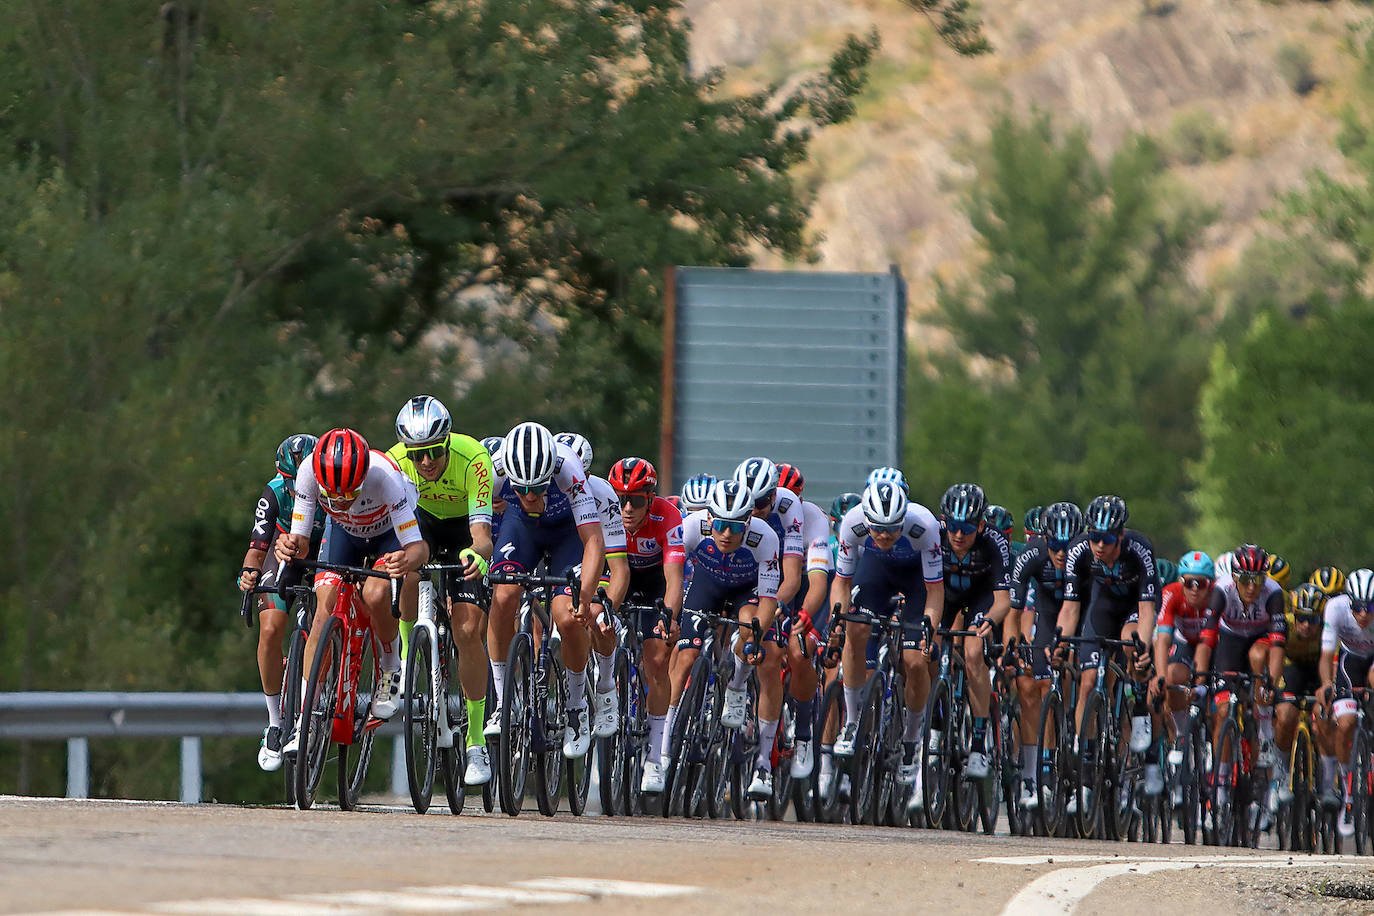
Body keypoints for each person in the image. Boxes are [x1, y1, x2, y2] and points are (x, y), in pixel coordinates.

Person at [275, 428, 430, 751]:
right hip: (344, 534)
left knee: (375, 594)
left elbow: (419, 549)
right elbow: (302, 543)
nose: (341, 502)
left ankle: (390, 664)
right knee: (323, 610)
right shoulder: (308, 472)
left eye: (348, 494)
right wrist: (289, 546)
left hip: (390, 534)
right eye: (332, 496)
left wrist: (404, 560)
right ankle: (307, 719)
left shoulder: (385, 476)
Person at [387, 396, 496, 784]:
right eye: (417, 455)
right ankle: (404, 658)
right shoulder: (394, 462)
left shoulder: (474, 459)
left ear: (447, 443)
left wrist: (477, 554)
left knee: (468, 631)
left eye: (434, 452)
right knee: (408, 569)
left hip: (466, 528)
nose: (426, 462)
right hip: (422, 525)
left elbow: (483, 536)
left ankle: (476, 741)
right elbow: (391, 530)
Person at [486, 422, 606, 759]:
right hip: (522, 529)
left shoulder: (567, 467)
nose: (529, 497)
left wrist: (585, 596)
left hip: (568, 532)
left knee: (566, 618)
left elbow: (594, 540)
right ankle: (503, 700)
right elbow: (477, 528)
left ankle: (576, 706)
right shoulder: (494, 469)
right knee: (504, 595)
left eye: (538, 488)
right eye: (521, 489)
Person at [828, 480, 944, 811]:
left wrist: (928, 629)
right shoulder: (852, 522)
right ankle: (852, 723)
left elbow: (935, 592)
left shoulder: (924, 526)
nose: (882, 535)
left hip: (915, 578)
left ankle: (910, 740)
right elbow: (842, 582)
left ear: (903, 518)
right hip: (875, 572)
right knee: (856, 630)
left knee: (916, 661)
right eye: (877, 529)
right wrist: (839, 616)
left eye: (891, 529)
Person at [669, 480, 781, 793]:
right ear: (709, 519)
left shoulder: (765, 538)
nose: (726, 534)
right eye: (719, 525)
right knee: (685, 656)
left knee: (749, 625)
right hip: (706, 587)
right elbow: (674, 577)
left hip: (746, 592)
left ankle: (737, 686)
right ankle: (662, 748)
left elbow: (769, 600)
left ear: (748, 523)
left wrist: (754, 641)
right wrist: (671, 615)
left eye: (734, 527)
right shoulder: (691, 527)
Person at [237, 433, 321, 771]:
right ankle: (274, 722)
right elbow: (257, 548)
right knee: (271, 630)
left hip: (321, 548)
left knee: (325, 619)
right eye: (291, 482)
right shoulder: (272, 492)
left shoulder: (330, 486)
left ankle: (315, 703)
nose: (297, 489)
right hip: (283, 549)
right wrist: (247, 573)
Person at [1055, 495, 1157, 773]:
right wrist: (1061, 640)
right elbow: (1070, 607)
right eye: (1095, 537)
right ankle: (1085, 759)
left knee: (1133, 645)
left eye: (1108, 539)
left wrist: (1144, 647)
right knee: (1088, 683)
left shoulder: (1139, 549)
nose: (1100, 545)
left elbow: (1147, 610)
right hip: (1103, 608)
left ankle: (1139, 710)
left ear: (1120, 535)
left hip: (1134, 608)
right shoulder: (1078, 550)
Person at [606, 457, 684, 793]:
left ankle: (654, 757)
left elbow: (674, 579)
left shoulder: (669, 516)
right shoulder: (606, 512)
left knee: (655, 660)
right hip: (615, 576)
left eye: (635, 500)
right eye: (619, 498)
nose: (626, 507)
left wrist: (669, 618)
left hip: (655, 584)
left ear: (650, 498)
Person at [732, 457, 805, 797]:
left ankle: (763, 762)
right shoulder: (732, 502)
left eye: (763, 502)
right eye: (751, 502)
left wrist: (772, 609)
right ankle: (730, 682)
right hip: (736, 576)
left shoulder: (789, 510)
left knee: (771, 656)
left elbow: (791, 578)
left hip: (773, 583)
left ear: (774, 497)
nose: (757, 509)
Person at [554, 432, 631, 743]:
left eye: (582, 475)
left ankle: (606, 683)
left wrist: (608, 609)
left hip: (594, 558)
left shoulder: (602, 494)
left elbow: (619, 567)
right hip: (561, 556)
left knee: (597, 615)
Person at [1008, 501, 1082, 809]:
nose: (1062, 553)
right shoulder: (1032, 555)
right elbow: (1015, 612)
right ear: (1043, 539)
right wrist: (1015, 649)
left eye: (1068, 546)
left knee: (1079, 670)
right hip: (1050, 614)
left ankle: (1083, 736)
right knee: (1037, 686)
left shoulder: (1087, 556)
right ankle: (1040, 773)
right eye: (1055, 546)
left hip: (1084, 610)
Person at [940, 482, 1013, 780]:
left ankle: (980, 745)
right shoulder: (935, 537)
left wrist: (990, 622)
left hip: (981, 598)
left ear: (981, 525)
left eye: (967, 529)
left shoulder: (995, 543)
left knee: (973, 653)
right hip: (943, 595)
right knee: (922, 647)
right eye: (953, 527)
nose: (959, 535)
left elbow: (1003, 601)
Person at [1193, 545, 1287, 775]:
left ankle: (1265, 729)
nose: (1252, 587)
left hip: (1260, 639)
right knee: (1223, 712)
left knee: (1259, 656)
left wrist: (1271, 684)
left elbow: (1277, 646)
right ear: (1234, 577)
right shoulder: (1221, 590)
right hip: (1230, 641)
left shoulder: (1273, 593)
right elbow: (1206, 641)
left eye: (1258, 579)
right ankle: (1222, 781)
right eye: (1245, 579)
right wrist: (1199, 684)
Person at [774, 462, 833, 781]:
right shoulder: (760, 514)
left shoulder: (813, 519)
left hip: (809, 583)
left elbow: (818, 583)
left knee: (799, 652)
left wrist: (804, 617)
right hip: (776, 579)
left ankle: (805, 735)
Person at [1150, 549, 1215, 795]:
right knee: (1173, 678)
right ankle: (1180, 735)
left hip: (1214, 645)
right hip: (1185, 643)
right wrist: (1160, 675)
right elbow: (1163, 640)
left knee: (1213, 688)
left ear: (1211, 584)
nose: (1195, 588)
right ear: (1181, 582)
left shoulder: (1217, 597)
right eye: (1189, 582)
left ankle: (1211, 738)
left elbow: (1209, 643)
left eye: (1201, 583)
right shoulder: (1172, 594)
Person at [1319, 568, 1374, 837]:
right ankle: (1347, 788)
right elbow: (1326, 652)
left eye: (1370, 607)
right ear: (1349, 601)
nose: (1363, 614)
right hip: (1348, 661)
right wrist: (1327, 684)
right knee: (1346, 723)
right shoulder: (1335, 608)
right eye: (1358, 607)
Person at [1275, 583, 1331, 809]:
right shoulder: (1285, 625)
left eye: (1313, 620)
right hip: (1292, 668)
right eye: (1301, 618)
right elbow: (1275, 657)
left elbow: (1332, 666)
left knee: (1324, 716)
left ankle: (1327, 779)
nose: (1307, 625)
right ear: (1293, 616)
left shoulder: (1329, 631)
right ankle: (1280, 773)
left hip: (1317, 670)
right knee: (1286, 715)